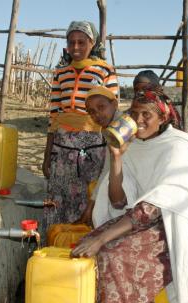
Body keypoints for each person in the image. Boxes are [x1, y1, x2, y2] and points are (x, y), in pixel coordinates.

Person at [71, 88, 188, 303]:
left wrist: (101, 238)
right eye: (134, 113)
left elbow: (153, 208)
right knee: (89, 250)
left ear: (163, 117)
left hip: (173, 230)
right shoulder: (134, 146)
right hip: (138, 221)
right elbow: (117, 200)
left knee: (113, 254)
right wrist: (117, 158)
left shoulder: (180, 146)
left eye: (146, 114)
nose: (139, 120)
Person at [42, 21, 119, 229]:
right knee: (59, 198)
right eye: (71, 42)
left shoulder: (105, 71)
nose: (75, 47)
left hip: (94, 146)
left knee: (90, 197)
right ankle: (55, 246)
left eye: (81, 42)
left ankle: (86, 252)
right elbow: (54, 115)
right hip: (62, 147)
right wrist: (47, 154)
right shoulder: (60, 73)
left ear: (92, 43)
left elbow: (111, 110)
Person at [75, 86, 121, 225]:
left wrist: (92, 205)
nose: (97, 115)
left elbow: (108, 170)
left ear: (114, 104)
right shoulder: (109, 127)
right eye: (91, 112)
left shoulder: (121, 127)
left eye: (101, 107)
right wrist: (92, 203)